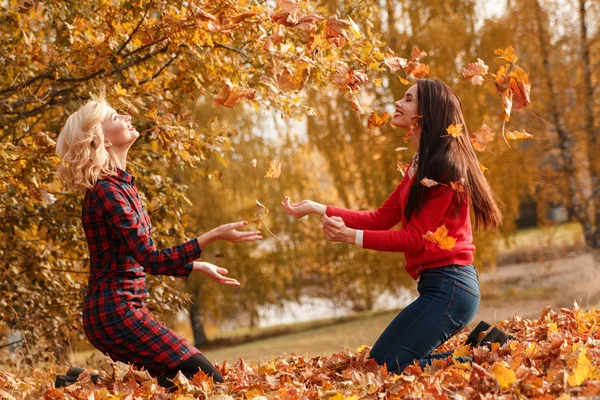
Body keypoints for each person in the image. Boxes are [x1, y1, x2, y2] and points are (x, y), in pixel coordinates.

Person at [282, 79, 502, 373]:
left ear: (426, 113)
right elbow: (381, 217)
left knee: (388, 367)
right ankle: (483, 349)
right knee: (382, 364)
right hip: (441, 286)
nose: (398, 103)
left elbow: (415, 239)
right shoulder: (420, 165)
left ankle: (489, 355)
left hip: (451, 287)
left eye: (408, 99)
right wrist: (316, 208)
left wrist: (351, 237)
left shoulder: (445, 167)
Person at [55, 98, 262, 388]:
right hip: (115, 312)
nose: (127, 116)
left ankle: (78, 382)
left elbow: (141, 254)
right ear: (101, 138)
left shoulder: (123, 186)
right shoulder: (106, 192)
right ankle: (80, 385)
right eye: (115, 116)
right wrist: (212, 235)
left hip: (120, 310)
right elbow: (150, 259)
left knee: (169, 385)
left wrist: (196, 265)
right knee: (209, 380)